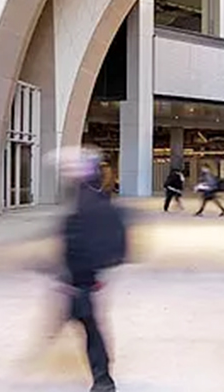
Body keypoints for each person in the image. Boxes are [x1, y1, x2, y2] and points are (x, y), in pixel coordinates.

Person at [56, 148, 129, 392]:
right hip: (80, 277)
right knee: (87, 324)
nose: (66, 171)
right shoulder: (88, 193)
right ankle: (102, 377)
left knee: (89, 326)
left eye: (71, 167)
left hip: (82, 279)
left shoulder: (89, 198)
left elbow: (83, 238)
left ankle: (103, 379)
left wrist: (81, 277)